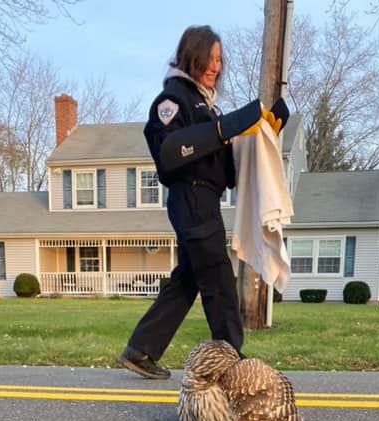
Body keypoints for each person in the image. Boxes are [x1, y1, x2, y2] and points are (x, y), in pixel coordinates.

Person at [117, 25, 283, 380]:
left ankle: (140, 349)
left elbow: (224, 168)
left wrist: (264, 133)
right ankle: (233, 362)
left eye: (220, 59)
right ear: (191, 56)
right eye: (210, 58)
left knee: (189, 278)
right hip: (191, 197)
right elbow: (170, 153)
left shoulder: (204, 104)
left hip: (204, 198)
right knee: (219, 279)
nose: (217, 66)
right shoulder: (173, 100)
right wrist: (226, 128)